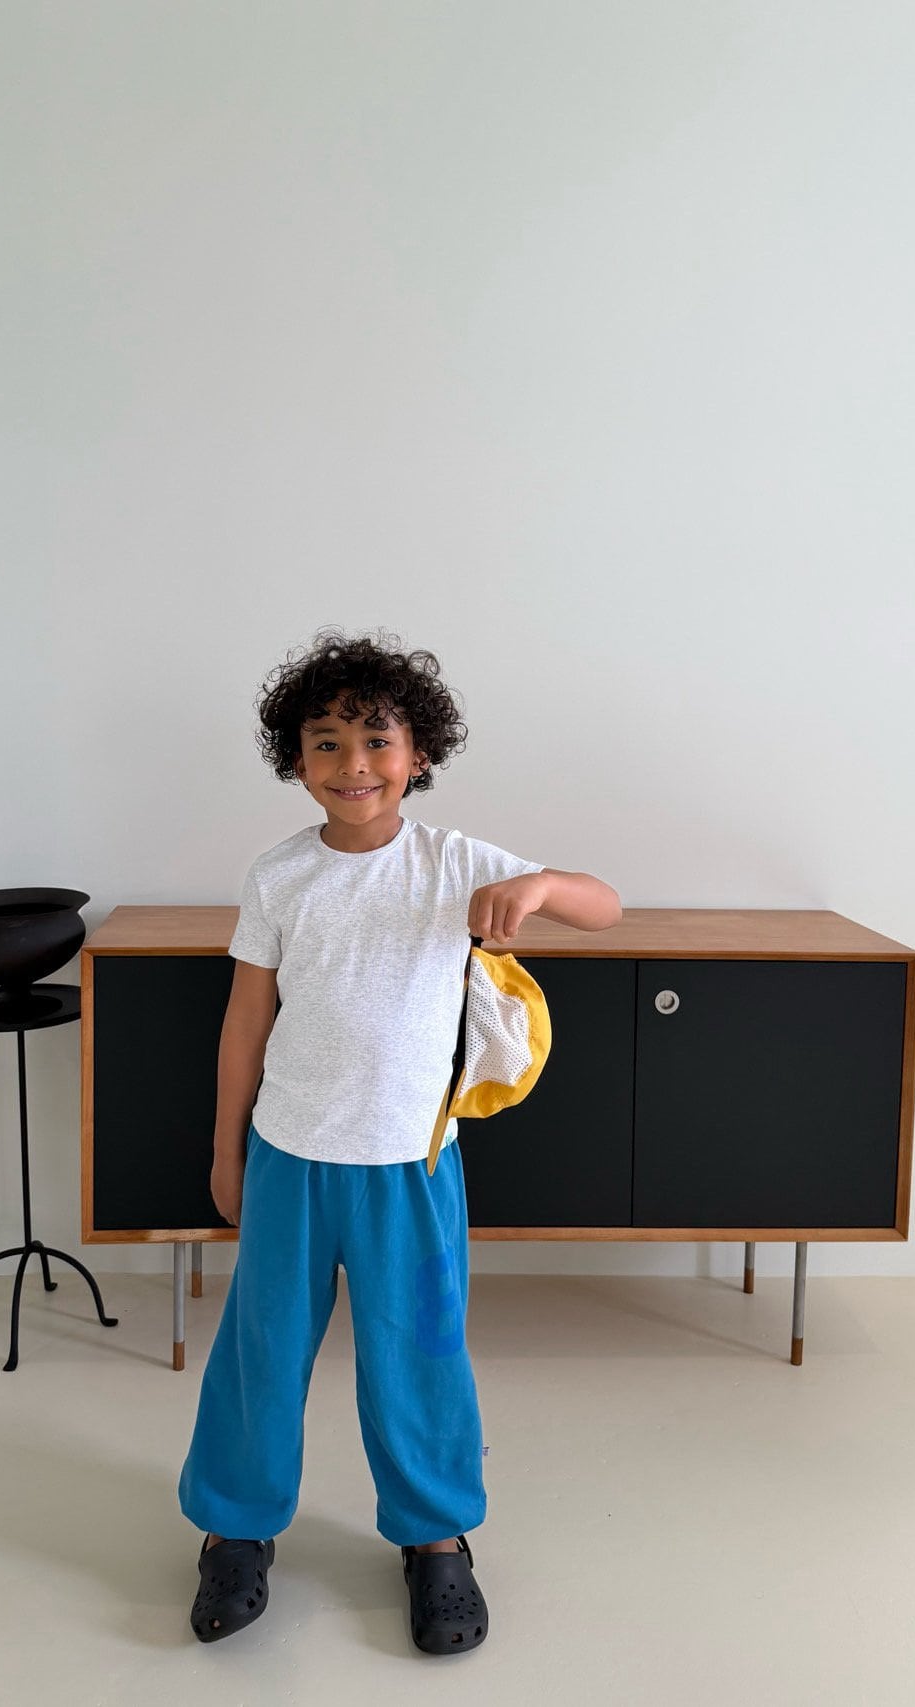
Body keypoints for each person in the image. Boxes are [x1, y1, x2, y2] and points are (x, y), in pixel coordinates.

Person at [177, 627, 621, 1655]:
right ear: (296, 760)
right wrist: (225, 1151)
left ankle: (435, 1538)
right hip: (290, 1160)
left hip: (409, 1171)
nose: (353, 764)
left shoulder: (454, 863)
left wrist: (540, 888)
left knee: (416, 1353)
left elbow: (603, 907)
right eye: (326, 743)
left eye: (377, 739)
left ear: (419, 753)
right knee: (260, 1352)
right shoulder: (278, 876)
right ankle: (234, 1529)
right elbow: (245, 1021)